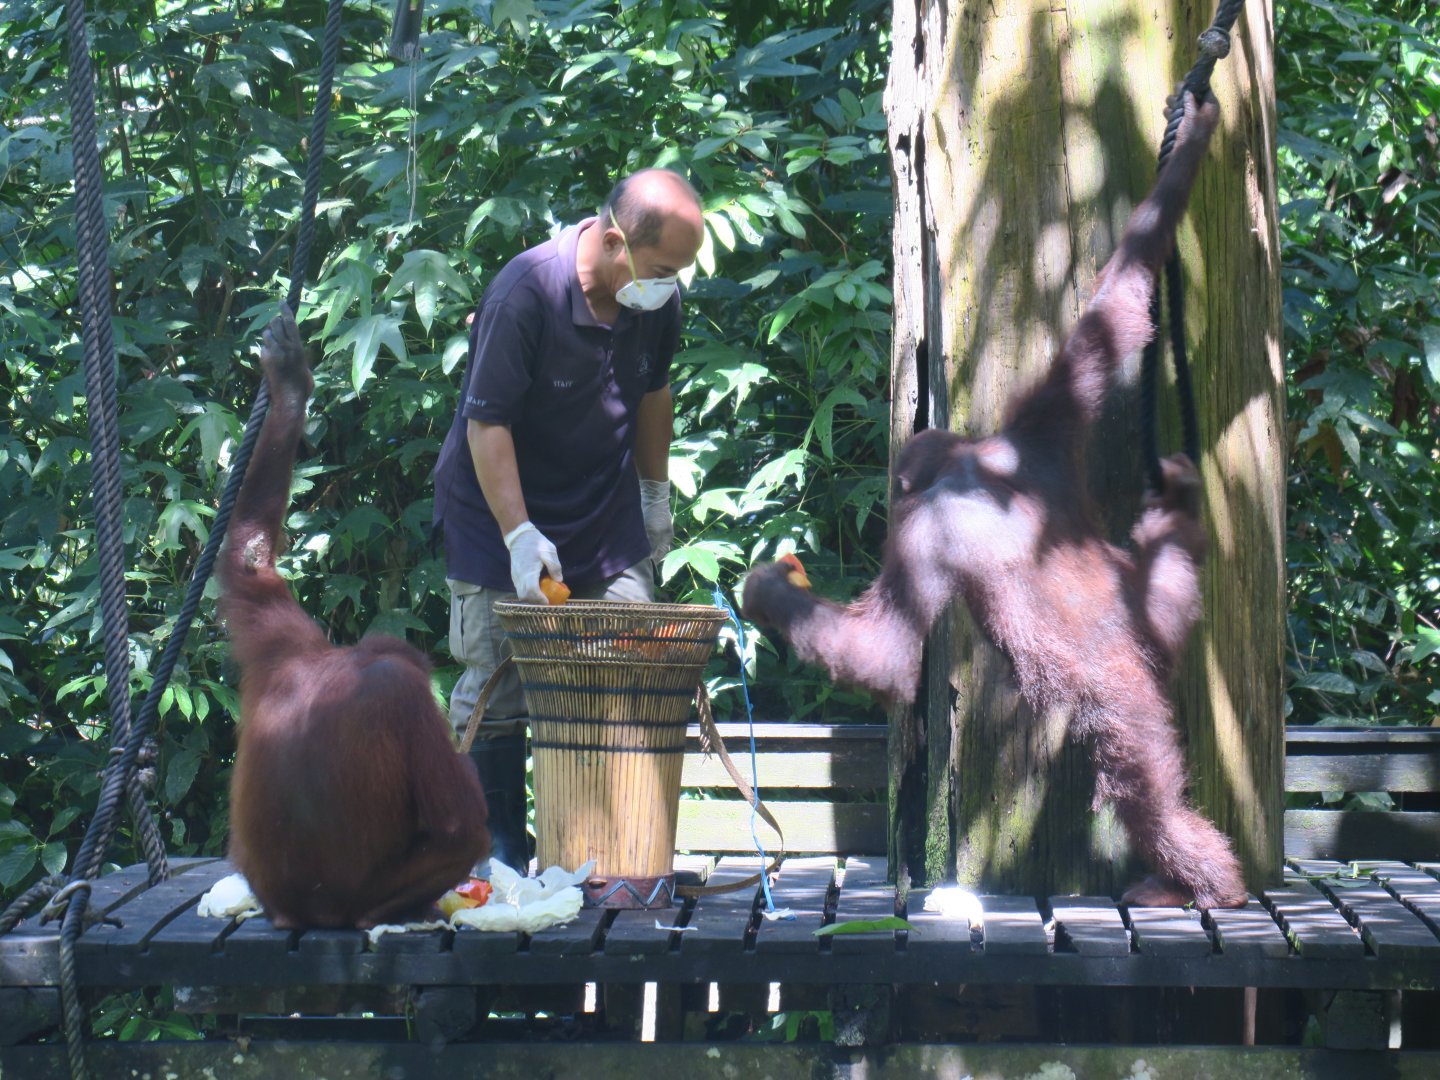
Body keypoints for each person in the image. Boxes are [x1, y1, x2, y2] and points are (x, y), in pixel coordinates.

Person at [432, 168, 705, 869]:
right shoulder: (526, 294)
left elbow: (653, 395)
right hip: (497, 513)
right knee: (497, 684)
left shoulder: (655, 302)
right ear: (615, 242)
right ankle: (489, 860)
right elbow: (485, 425)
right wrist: (520, 535)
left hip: (602, 515)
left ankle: (605, 856)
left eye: (679, 271)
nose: (670, 284)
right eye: (661, 268)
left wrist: (654, 494)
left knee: (627, 665)